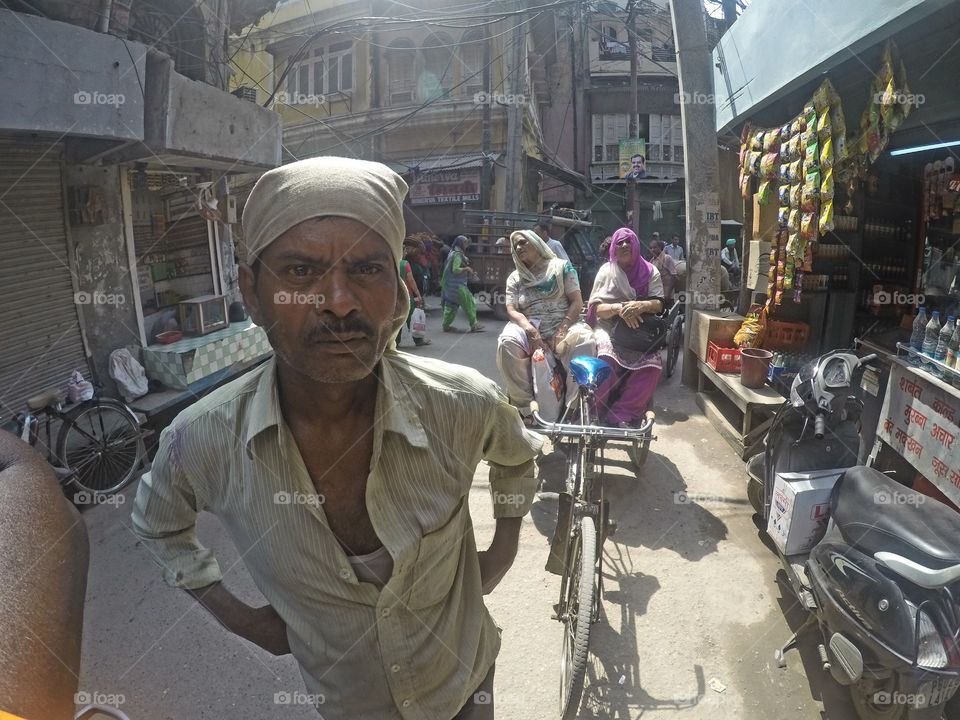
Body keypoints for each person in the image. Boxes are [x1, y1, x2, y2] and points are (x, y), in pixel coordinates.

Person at [131, 157, 542, 720]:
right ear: (251, 293)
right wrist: (241, 618)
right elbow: (158, 524)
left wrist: (503, 550)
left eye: (367, 270)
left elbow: (518, 460)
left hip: (466, 683)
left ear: (397, 295)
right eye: (301, 272)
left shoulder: (462, 404)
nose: (339, 301)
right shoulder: (202, 440)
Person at [496, 230, 594, 423]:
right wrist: (530, 330)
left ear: (537, 244)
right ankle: (525, 408)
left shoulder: (562, 268)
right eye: (515, 246)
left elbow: (577, 302)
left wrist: (563, 328)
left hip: (564, 326)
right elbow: (512, 309)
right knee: (506, 343)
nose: (518, 248)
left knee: (585, 341)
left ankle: (571, 407)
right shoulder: (515, 278)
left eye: (523, 242)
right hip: (530, 328)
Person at [587, 227, 664, 427]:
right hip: (608, 326)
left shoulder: (650, 271)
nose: (624, 245)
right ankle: (595, 411)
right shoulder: (606, 271)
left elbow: (659, 304)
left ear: (636, 245)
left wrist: (641, 306)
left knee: (652, 366)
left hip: (638, 330)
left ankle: (622, 414)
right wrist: (619, 309)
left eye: (628, 241)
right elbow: (596, 310)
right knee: (604, 359)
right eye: (619, 242)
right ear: (613, 247)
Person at [441, 235, 485, 332]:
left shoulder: (452, 252)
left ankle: (446, 325)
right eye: (465, 243)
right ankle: (474, 324)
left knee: (451, 306)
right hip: (458, 286)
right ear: (460, 243)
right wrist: (466, 269)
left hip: (451, 286)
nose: (466, 245)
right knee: (470, 303)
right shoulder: (457, 255)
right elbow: (455, 269)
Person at [398, 242, 431, 347]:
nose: (406, 253)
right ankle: (418, 340)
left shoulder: (391, 263)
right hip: (406, 296)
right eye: (404, 251)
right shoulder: (405, 264)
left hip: (395, 297)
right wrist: (418, 294)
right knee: (411, 316)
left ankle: (395, 342)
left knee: (397, 319)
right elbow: (411, 280)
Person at [650, 238, 678, 303]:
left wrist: (667, 292)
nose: (652, 250)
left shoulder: (667, 258)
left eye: (654, 247)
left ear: (660, 248)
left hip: (667, 295)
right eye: (651, 248)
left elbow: (674, 277)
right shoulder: (652, 261)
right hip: (658, 294)